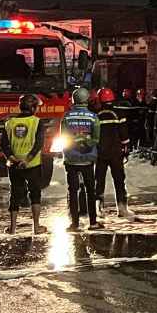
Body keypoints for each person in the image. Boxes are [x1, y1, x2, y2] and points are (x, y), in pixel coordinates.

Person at [1, 94, 47, 235]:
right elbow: (39, 144)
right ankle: (36, 227)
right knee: (35, 194)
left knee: (15, 194)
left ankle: (13, 228)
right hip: (31, 164)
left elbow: (3, 144)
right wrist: (27, 160)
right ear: (32, 107)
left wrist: (12, 157)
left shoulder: (10, 122)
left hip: (14, 165)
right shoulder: (37, 122)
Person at [62, 87, 101, 231]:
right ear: (86, 100)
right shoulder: (93, 117)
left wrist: (74, 143)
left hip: (71, 159)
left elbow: (64, 138)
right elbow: (96, 139)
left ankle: (75, 223)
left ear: (74, 100)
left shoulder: (67, 117)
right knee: (90, 190)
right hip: (87, 158)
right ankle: (93, 222)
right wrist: (85, 143)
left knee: (73, 191)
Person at [95, 88, 133, 219]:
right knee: (119, 180)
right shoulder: (118, 113)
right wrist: (126, 147)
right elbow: (124, 134)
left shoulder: (96, 114)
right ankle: (122, 208)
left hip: (101, 153)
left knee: (99, 181)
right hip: (116, 153)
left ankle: (98, 208)